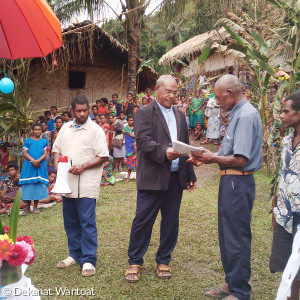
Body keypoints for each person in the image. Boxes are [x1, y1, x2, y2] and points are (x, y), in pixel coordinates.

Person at [190, 74, 263, 300]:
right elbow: (230, 154)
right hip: (230, 181)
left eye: (219, 97)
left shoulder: (247, 115)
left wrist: (212, 158)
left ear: (230, 93)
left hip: (238, 182)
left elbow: (240, 159)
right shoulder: (237, 114)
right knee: (227, 235)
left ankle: (241, 292)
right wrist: (208, 157)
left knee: (236, 236)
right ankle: (233, 283)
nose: (217, 101)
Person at [125, 75, 197, 283]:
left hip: (175, 178)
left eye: (175, 92)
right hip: (153, 176)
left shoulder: (181, 115)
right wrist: (164, 151)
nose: (172, 96)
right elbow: (144, 141)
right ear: (156, 89)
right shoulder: (145, 113)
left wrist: (189, 173)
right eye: (168, 91)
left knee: (171, 221)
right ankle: (135, 261)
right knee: (143, 220)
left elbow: (185, 145)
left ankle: (164, 259)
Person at [52, 94, 109, 277]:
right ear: (72, 111)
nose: (83, 113)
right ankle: (75, 254)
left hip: (86, 185)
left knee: (87, 223)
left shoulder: (95, 130)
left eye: (85, 110)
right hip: (67, 184)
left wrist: (83, 166)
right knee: (70, 222)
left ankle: (89, 259)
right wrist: (58, 169)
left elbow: (103, 156)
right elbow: (56, 150)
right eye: (79, 111)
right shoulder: (66, 128)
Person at [269, 91, 300, 300]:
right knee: (288, 267)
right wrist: (275, 207)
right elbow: (282, 175)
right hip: (284, 213)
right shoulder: (287, 140)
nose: (281, 115)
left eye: (286, 111)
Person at [19, 123, 49, 215]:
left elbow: (45, 153)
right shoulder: (27, 141)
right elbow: (25, 153)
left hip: (40, 165)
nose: (37, 131)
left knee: (38, 184)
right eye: (35, 129)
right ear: (32, 130)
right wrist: (33, 161)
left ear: (41, 130)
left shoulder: (44, 141)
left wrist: (38, 161)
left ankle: (35, 206)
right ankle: (27, 207)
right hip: (29, 166)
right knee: (28, 184)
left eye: (39, 129)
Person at [124, 114, 136, 183]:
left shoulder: (136, 127)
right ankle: (128, 178)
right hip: (129, 147)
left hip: (137, 146)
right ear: (127, 121)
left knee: (138, 163)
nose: (130, 121)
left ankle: (139, 178)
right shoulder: (126, 128)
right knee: (129, 163)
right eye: (129, 120)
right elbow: (132, 135)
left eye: (132, 120)